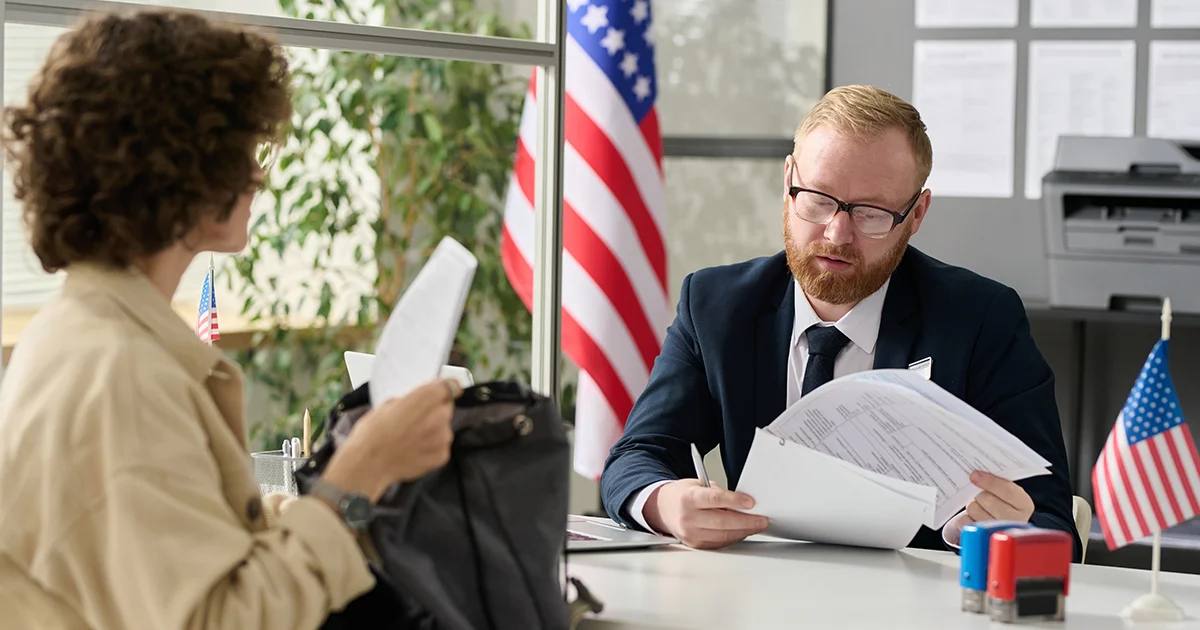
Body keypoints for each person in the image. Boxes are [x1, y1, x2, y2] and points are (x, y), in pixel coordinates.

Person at [0, 10, 460, 629]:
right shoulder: (120, 375)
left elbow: (174, 541)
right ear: (180, 170)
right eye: (243, 149)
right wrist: (357, 475)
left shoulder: (89, 338)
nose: (259, 174)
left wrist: (318, 500)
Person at [599, 85, 1080, 560]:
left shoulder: (981, 320)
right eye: (818, 198)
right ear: (788, 181)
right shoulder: (716, 305)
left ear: (916, 215)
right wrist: (665, 504)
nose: (837, 233)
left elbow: (1050, 517)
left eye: (871, 213)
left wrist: (984, 532)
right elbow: (637, 456)